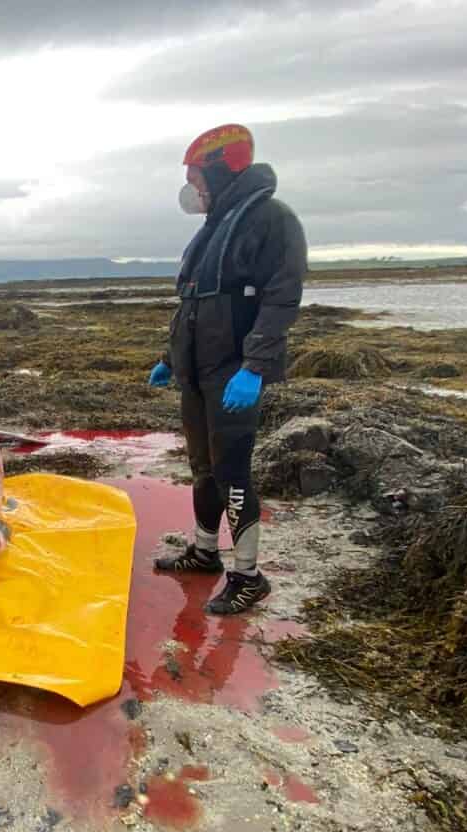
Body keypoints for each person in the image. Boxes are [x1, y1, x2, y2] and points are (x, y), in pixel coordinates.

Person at [148, 124, 307, 615]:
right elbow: (192, 305)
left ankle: (248, 575)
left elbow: (282, 298)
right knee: (203, 470)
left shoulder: (272, 220)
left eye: (198, 178)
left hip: (233, 373)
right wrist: (171, 360)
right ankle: (204, 552)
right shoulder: (214, 228)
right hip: (198, 374)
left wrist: (255, 366)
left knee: (231, 473)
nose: (194, 189)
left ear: (221, 168)